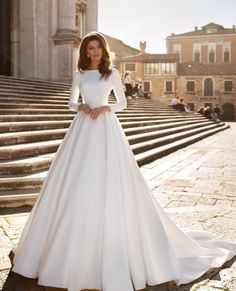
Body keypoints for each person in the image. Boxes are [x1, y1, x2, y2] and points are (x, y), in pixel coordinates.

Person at [12, 32, 236, 291]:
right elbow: (71, 102)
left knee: (110, 179)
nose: (94, 52)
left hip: (106, 127)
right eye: (90, 48)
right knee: (75, 180)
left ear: (103, 51)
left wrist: (105, 108)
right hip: (83, 127)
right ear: (85, 51)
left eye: (97, 48)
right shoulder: (80, 75)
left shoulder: (112, 74)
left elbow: (123, 102)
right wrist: (81, 107)